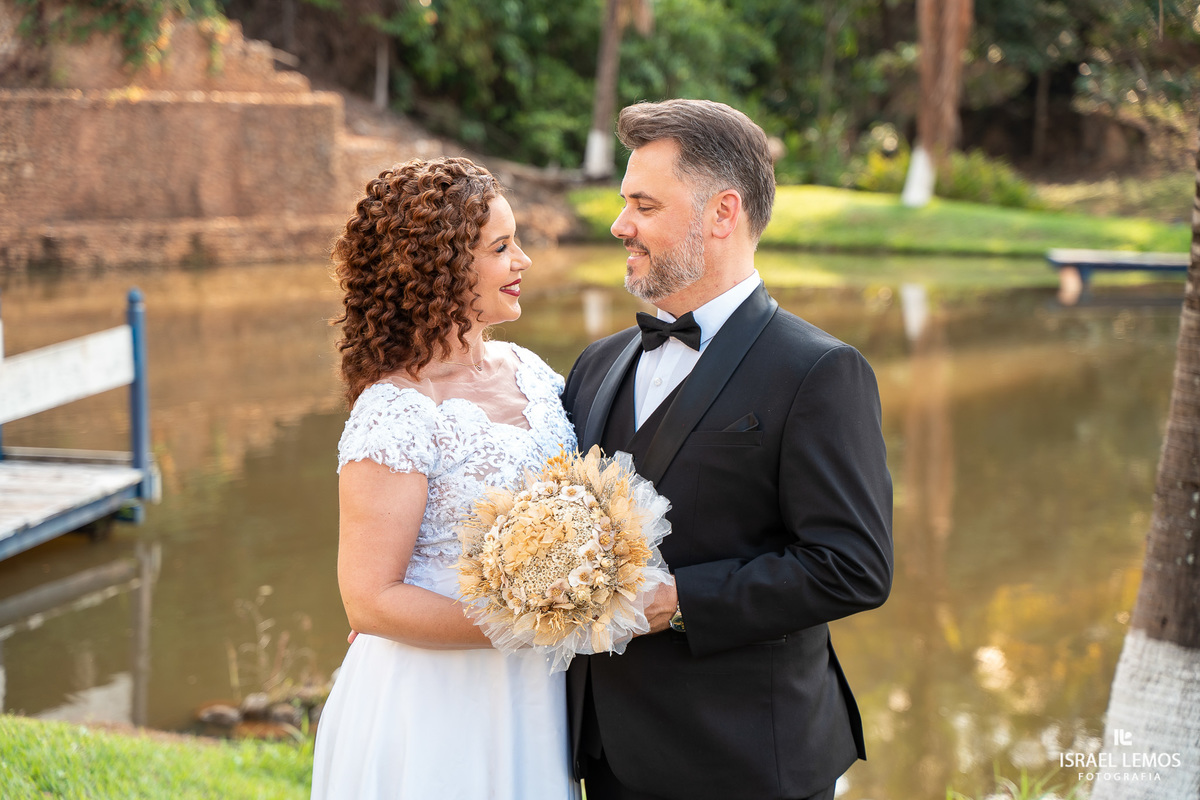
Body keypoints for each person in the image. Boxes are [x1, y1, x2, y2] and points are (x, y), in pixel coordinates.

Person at [561, 99, 894, 800]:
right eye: (624, 202)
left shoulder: (819, 371)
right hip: (604, 754)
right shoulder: (598, 362)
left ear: (722, 214)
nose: (620, 224)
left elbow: (852, 567)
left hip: (746, 762)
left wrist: (679, 601)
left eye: (644, 205)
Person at [311, 157, 580, 800]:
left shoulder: (532, 372)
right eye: (501, 248)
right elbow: (369, 600)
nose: (523, 261)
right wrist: (540, 620)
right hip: (434, 699)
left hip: (533, 694)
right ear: (441, 267)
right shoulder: (396, 410)